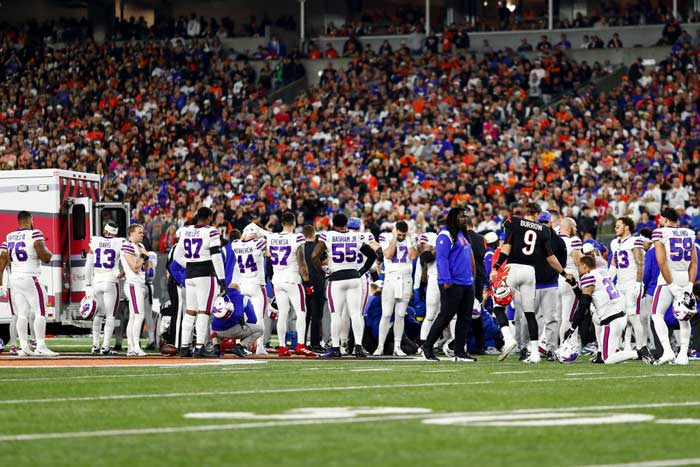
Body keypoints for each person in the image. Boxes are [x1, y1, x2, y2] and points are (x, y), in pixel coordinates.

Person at [491, 203, 572, 364]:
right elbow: (550, 258)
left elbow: (506, 248)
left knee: (498, 305)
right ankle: (535, 353)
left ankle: (508, 339)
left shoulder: (513, 222)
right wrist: (563, 273)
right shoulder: (543, 231)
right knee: (530, 314)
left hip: (512, 268)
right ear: (536, 214)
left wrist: (496, 267)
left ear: (526, 212)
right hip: (530, 272)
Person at [564, 255, 653, 364]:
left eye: (579, 266)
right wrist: (574, 285)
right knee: (607, 352)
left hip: (610, 320)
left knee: (608, 359)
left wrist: (573, 327)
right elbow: (584, 297)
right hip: (618, 315)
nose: (579, 269)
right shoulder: (602, 272)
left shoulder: (589, 277)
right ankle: (608, 353)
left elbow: (583, 304)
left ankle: (639, 353)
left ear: (584, 266)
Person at [311, 213, 376, 358]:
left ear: (333, 224)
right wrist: (362, 271)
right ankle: (358, 347)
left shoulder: (328, 236)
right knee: (356, 314)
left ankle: (335, 348)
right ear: (346, 223)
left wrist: (321, 272)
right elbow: (372, 255)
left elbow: (314, 255)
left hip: (337, 279)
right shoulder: (356, 236)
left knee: (336, 315)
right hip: (354, 278)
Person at [420, 207, 477, 362]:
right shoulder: (445, 235)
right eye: (461, 216)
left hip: (466, 282)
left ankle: (459, 351)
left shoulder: (462, 235)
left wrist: (472, 277)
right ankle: (427, 347)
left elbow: (467, 257)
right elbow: (442, 259)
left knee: (465, 317)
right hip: (452, 282)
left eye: (465, 216)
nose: (464, 219)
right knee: (445, 316)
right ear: (453, 218)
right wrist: (445, 280)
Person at [0, 211, 56, 356]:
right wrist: (49, 253)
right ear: (31, 220)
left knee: (22, 314)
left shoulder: (9, 236)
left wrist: (1, 285)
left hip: (14, 279)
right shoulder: (35, 234)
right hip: (30, 276)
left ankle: (23, 346)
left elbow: (3, 261)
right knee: (40, 312)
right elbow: (45, 256)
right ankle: (41, 346)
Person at [173, 207, 225, 358]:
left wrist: (190, 264)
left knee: (190, 312)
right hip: (205, 275)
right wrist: (222, 279)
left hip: (190, 275)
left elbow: (177, 255)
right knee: (203, 311)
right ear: (209, 217)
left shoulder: (186, 230)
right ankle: (200, 347)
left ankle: (184, 346)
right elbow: (216, 256)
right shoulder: (211, 231)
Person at [650, 207, 697, 365]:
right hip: (684, 276)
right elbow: (694, 262)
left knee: (657, 314)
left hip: (668, 277)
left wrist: (671, 284)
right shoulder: (689, 232)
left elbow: (662, 261)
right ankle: (683, 354)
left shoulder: (660, 233)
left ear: (665, 219)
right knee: (684, 317)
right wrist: (690, 283)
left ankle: (668, 350)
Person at [267, 212, 316, 356]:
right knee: (301, 312)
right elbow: (302, 263)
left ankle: (282, 346)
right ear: (293, 224)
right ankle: (300, 344)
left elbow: (269, 257)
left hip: (277, 280)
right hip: (293, 280)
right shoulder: (297, 237)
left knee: (283, 313)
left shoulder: (273, 237)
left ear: (282, 223)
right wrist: (307, 283)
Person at [375, 220, 418, 356]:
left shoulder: (411, 238)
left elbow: (413, 256)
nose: (401, 237)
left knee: (400, 315)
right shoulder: (385, 236)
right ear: (395, 231)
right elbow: (388, 254)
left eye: (402, 235)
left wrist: (409, 239)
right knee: (387, 313)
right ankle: (380, 346)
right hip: (391, 279)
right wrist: (394, 238)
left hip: (406, 279)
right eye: (399, 234)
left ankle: (397, 346)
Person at [228, 225, 269, 355]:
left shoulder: (235, 244)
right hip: (255, 284)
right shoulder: (258, 243)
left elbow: (241, 240)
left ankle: (239, 345)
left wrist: (246, 234)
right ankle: (259, 347)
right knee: (259, 317)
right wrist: (260, 232)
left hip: (242, 284)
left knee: (242, 318)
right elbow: (270, 238)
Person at [84, 222, 123, 355]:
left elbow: (88, 264)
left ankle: (95, 345)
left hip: (97, 281)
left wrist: (87, 284)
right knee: (110, 316)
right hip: (110, 281)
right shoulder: (120, 242)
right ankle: (105, 347)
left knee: (98, 314)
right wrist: (121, 274)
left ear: (105, 231)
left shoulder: (95, 241)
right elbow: (124, 262)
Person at [609, 217, 646, 352]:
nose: (616, 227)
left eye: (619, 225)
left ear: (627, 227)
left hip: (631, 283)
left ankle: (642, 349)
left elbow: (640, 263)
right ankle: (624, 346)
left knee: (632, 315)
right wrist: (608, 280)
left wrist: (638, 283)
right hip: (620, 284)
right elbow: (614, 264)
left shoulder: (634, 241)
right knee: (620, 316)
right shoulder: (614, 243)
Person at [534, 211, 566, 358]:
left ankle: (551, 349)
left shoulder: (558, 242)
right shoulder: (532, 239)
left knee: (551, 318)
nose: (543, 225)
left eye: (545, 222)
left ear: (550, 223)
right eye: (540, 223)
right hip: (532, 283)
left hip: (550, 284)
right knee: (532, 318)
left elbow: (561, 264)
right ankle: (532, 348)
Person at [120, 224, 151, 356]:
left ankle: (131, 347)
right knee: (139, 315)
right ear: (131, 233)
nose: (142, 234)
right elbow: (135, 267)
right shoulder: (127, 246)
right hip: (133, 284)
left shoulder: (141, 246)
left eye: (142, 232)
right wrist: (143, 257)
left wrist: (145, 258)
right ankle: (135, 347)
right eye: (139, 232)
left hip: (139, 283)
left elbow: (148, 266)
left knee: (134, 316)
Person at [211, 286, 263, 356]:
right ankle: (240, 346)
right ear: (239, 290)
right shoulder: (243, 298)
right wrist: (244, 329)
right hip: (233, 330)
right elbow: (253, 318)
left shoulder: (218, 297)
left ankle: (216, 346)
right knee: (260, 329)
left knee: (211, 323)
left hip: (215, 331)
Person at [558, 217, 583, 341]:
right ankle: (567, 346)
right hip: (570, 280)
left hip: (555, 280)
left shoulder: (552, 240)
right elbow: (579, 263)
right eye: (575, 226)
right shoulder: (573, 241)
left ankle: (548, 347)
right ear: (569, 227)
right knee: (569, 317)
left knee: (555, 317)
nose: (576, 229)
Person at [303, 224, 325, 352]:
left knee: (304, 315)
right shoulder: (318, 247)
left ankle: (301, 341)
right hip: (317, 282)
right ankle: (315, 343)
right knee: (316, 315)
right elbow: (325, 261)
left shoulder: (300, 247)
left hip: (303, 283)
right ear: (314, 234)